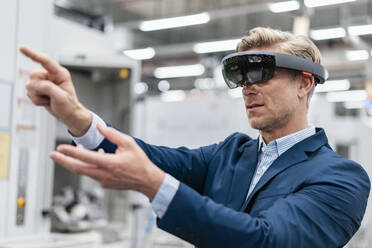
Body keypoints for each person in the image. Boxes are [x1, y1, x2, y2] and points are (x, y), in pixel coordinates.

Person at [20, 27, 370, 248]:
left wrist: (153, 185)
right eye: (242, 78)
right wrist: (77, 117)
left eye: (261, 73)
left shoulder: (341, 178)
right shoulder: (231, 153)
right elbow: (151, 159)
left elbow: (266, 240)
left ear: (304, 83)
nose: (248, 88)